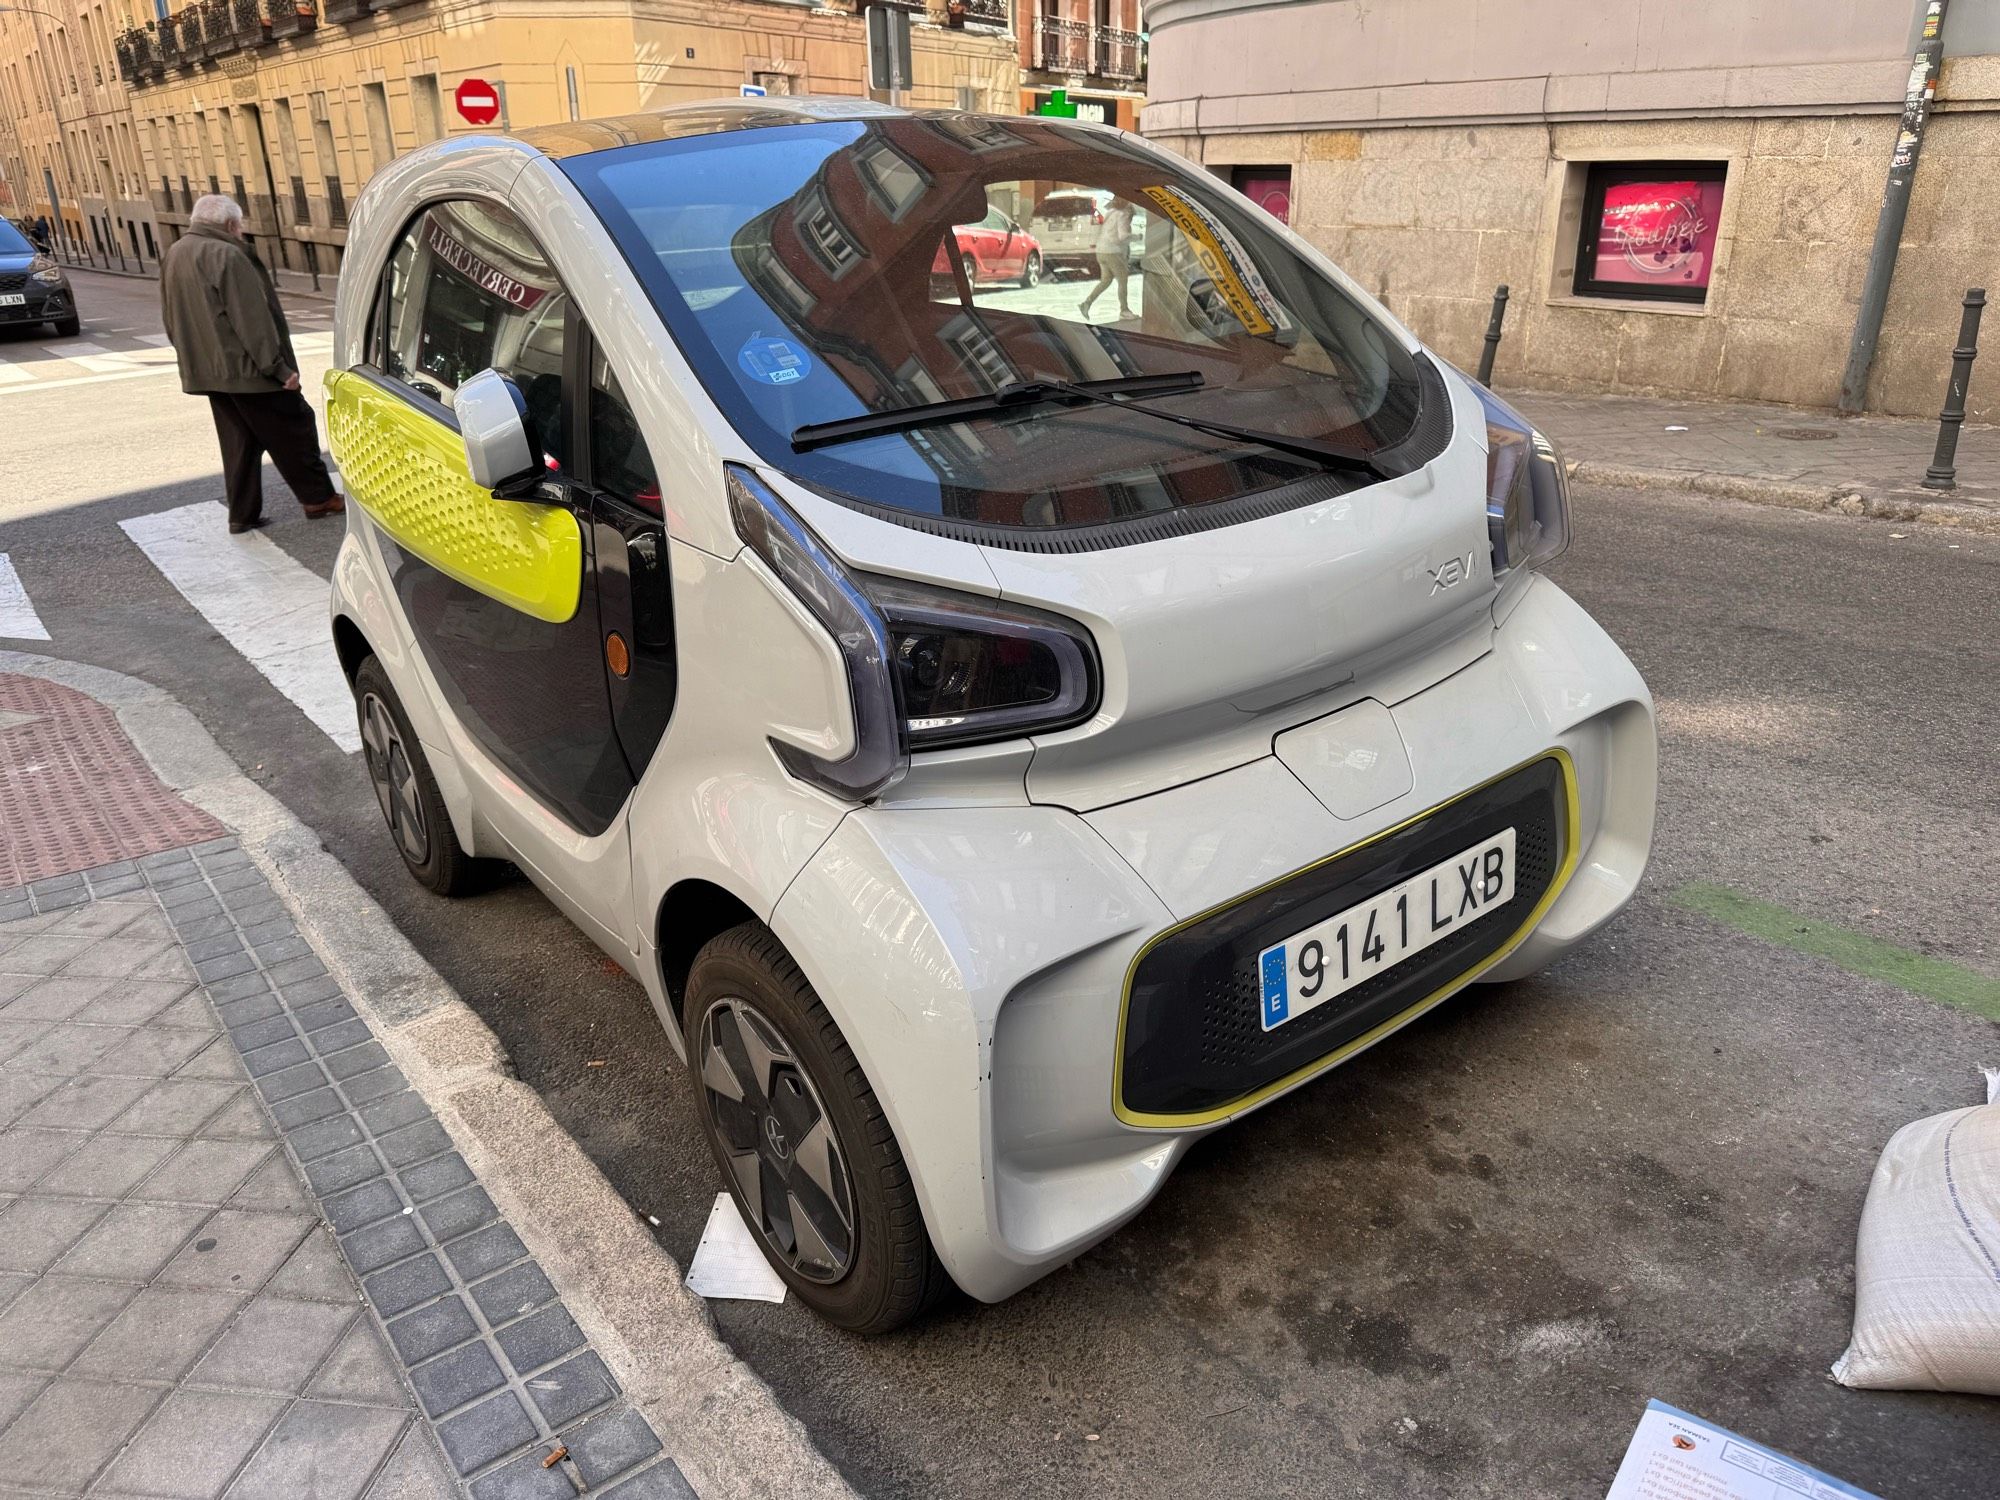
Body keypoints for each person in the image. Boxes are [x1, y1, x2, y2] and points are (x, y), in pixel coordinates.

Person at [160, 194, 342, 534]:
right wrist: (279, 369)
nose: (241, 231)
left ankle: (242, 513)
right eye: (239, 226)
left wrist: (191, 357)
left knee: (240, 442)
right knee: (295, 426)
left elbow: (170, 317)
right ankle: (318, 499)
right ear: (231, 225)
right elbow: (252, 319)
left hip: (210, 370)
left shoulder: (176, 252)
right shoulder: (227, 254)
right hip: (248, 371)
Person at [1078, 196, 1137, 322]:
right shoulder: (1124, 214)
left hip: (1101, 251)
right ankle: (1124, 310)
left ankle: (1086, 303)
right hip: (1113, 252)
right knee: (1122, 280)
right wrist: (1137, 237)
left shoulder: (1110, 212)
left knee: (1106, 280)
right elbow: (1122, 236)